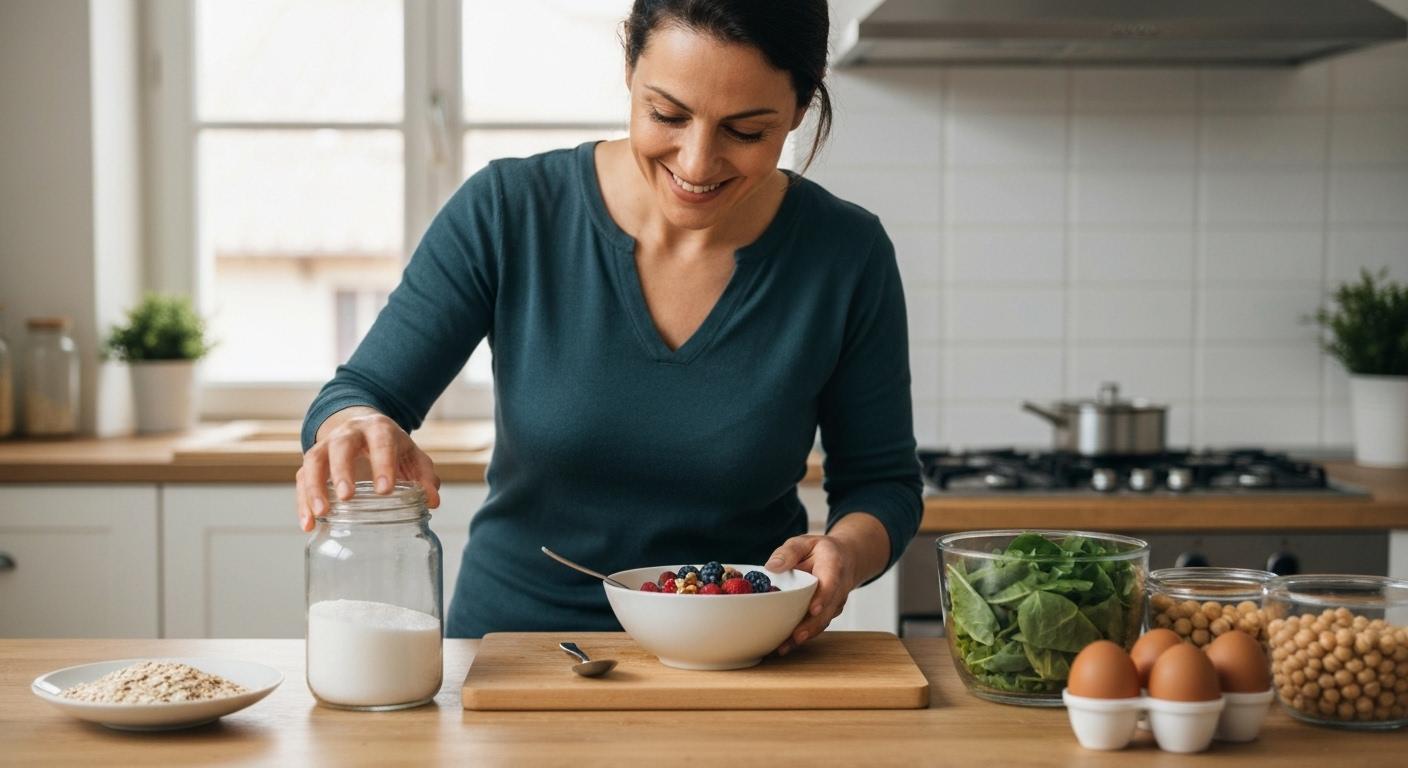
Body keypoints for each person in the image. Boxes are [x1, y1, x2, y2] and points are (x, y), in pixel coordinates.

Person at [296, 0, 922, 654]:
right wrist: (357, 426)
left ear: (798, 108)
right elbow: (361, 393)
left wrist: (844, 550)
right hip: (516, 654)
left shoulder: (845, 253)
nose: (698, 163)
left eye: (745, 131)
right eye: (668, 115)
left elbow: (882, 484)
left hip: (741, 659)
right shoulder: (510, 212)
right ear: (629, 65)